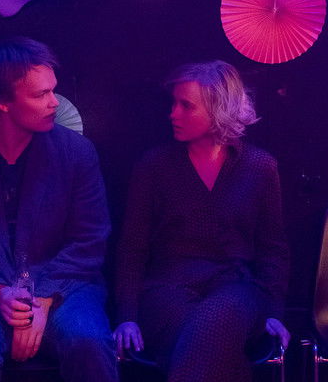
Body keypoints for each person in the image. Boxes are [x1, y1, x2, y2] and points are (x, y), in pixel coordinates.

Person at [0, 37, 118, 382]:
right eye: (41, 94)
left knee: (88, 339)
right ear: (3, 102)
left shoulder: (76, 153)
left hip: (65, 287)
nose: (54, 102)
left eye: (53, 90)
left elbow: (90, 241)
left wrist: (43, 298)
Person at [114, 60, 290, 381]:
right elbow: (132, 247)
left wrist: (275, 310)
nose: (173, 114)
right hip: (166, 287)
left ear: (219, 110)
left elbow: (272, 248)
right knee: (205, 339)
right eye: (173, 103)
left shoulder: (259, 166)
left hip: (236, 286)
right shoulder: (154, 166)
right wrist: (126, 315)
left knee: (217, 317)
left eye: (186, 106)